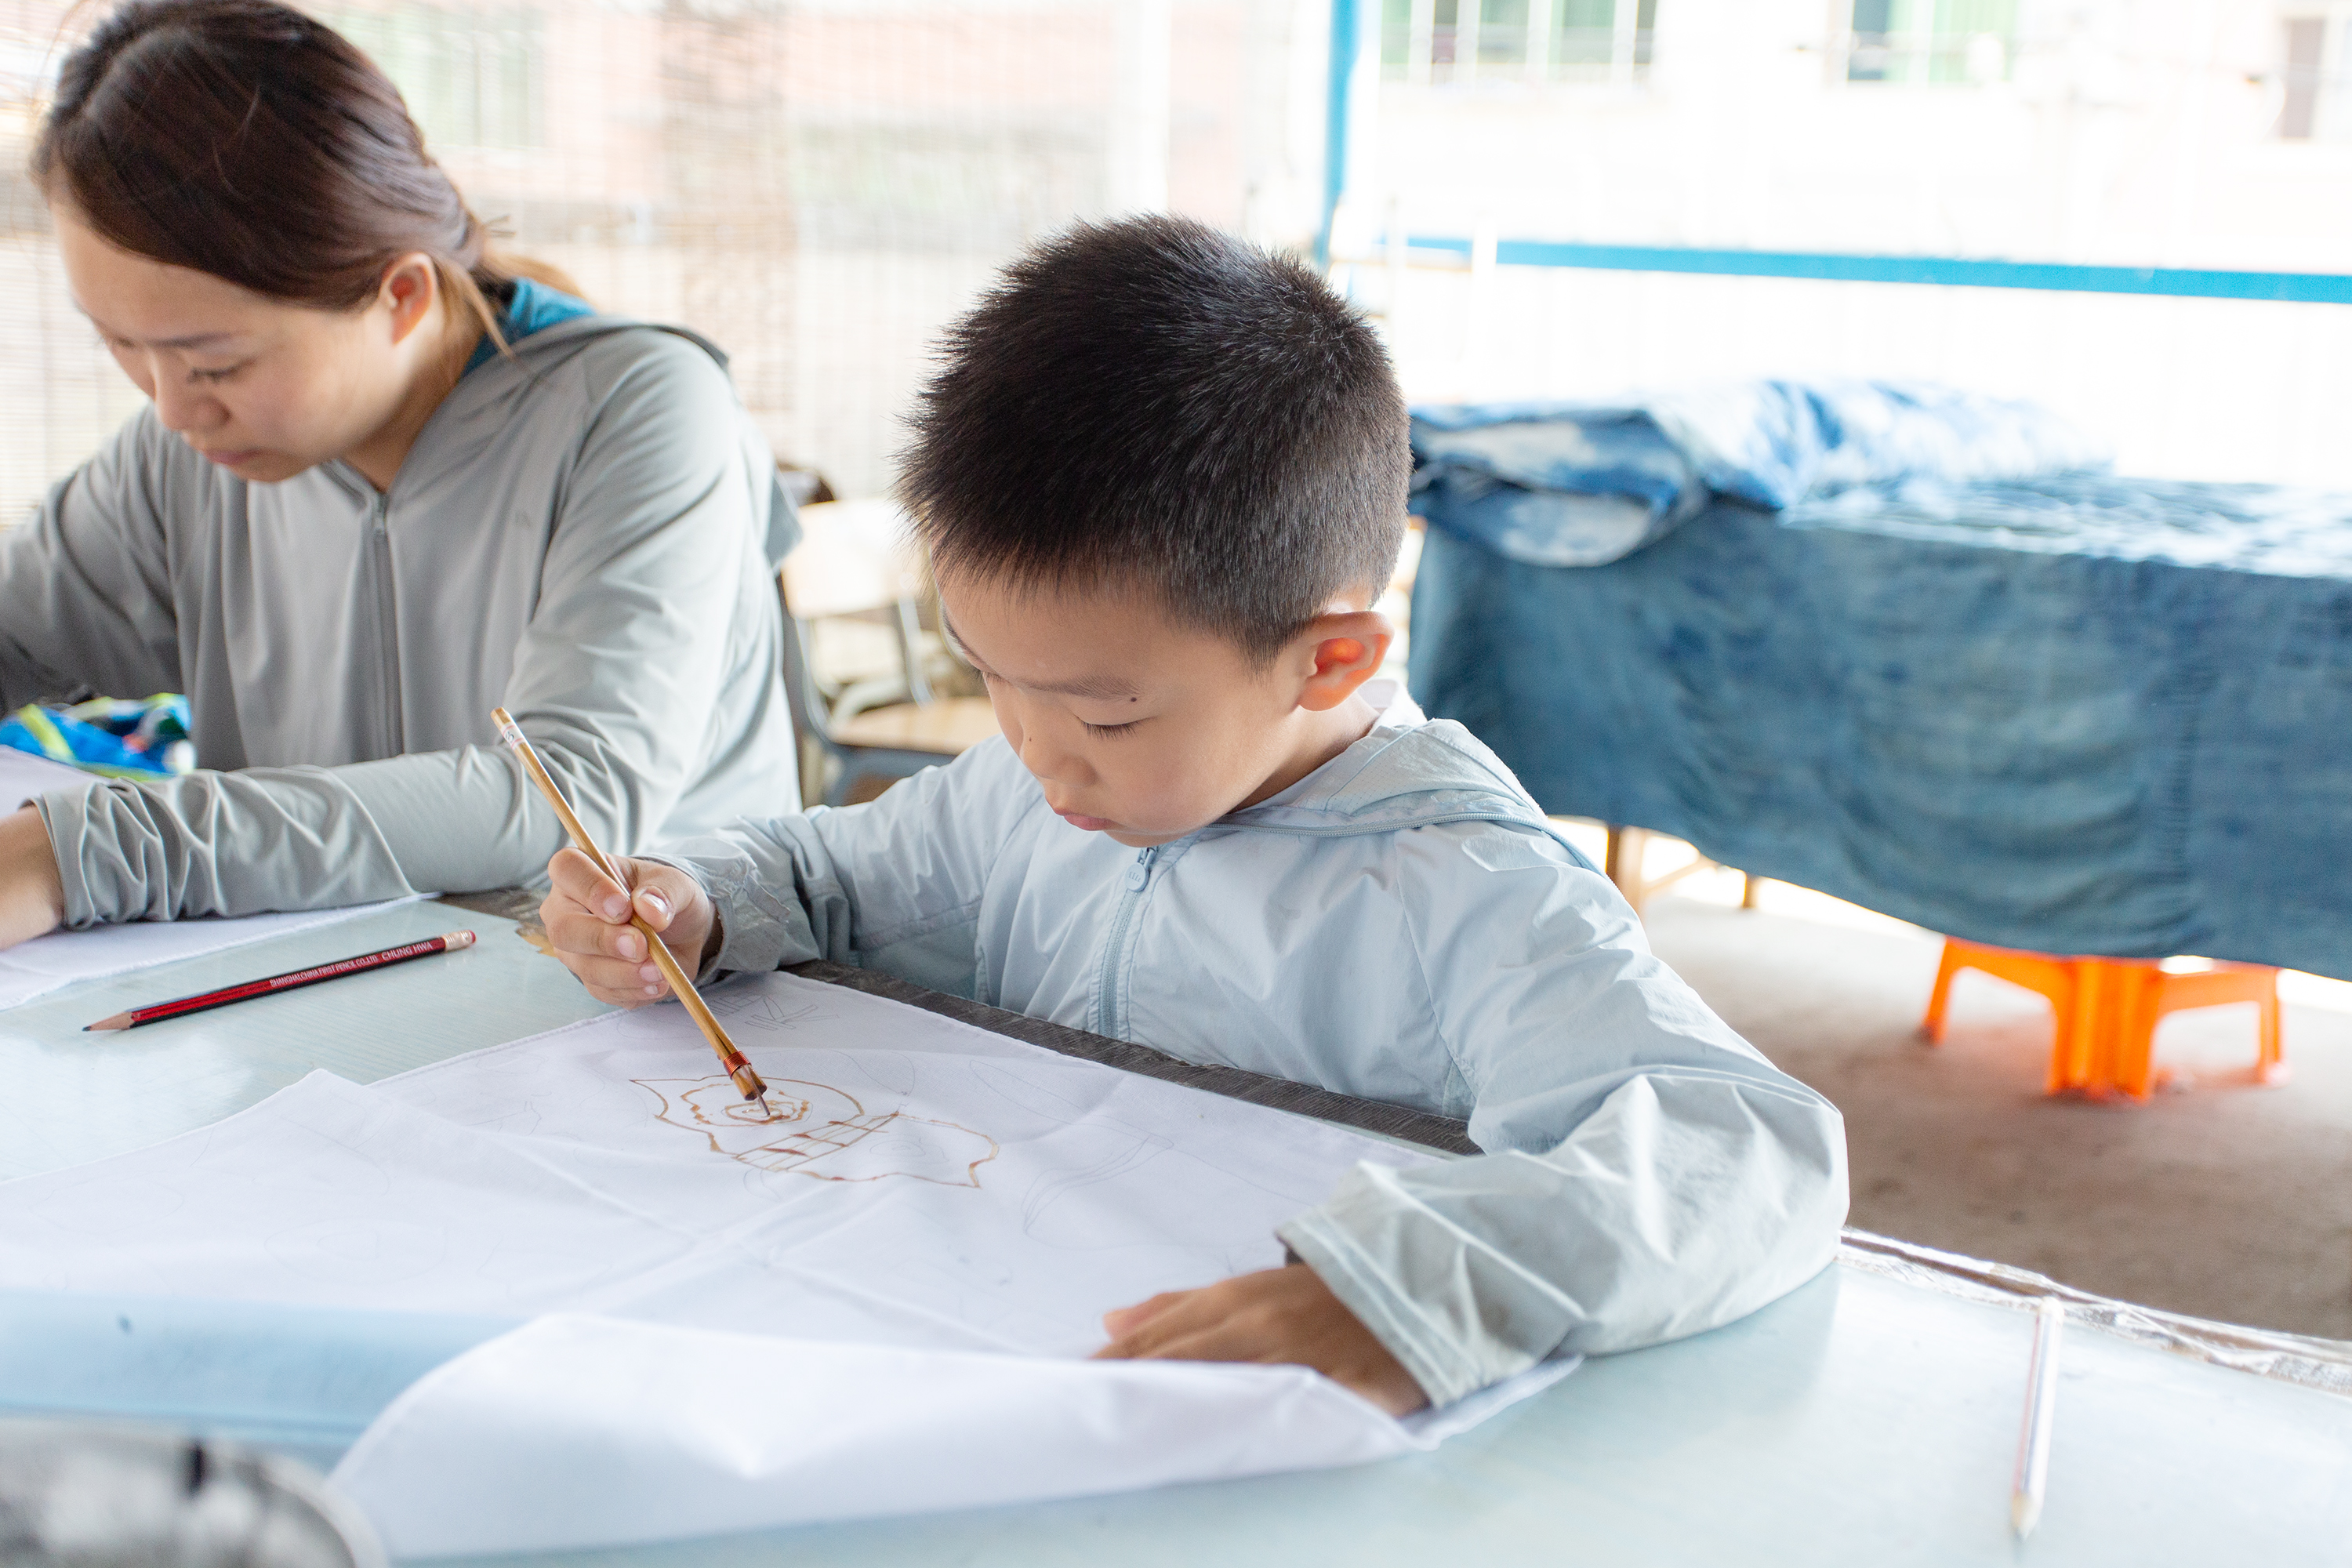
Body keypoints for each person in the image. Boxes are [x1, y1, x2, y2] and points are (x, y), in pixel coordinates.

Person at [541, 216, 1848, 1414]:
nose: (1039, 759)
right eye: (991, 677)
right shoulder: (1020, 794)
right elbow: (816, 874)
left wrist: (1410, 1294)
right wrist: (693, 901)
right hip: (1003, 1343)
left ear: (1327, 661)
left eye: (1106, 717)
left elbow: (1747, 1149)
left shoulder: (1462, 886)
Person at [0, 0, 797, 948]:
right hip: (313, 993)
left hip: (649, 1006)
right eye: (123, 345)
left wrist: (80, 852)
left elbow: (566, 798)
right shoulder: (187, 453)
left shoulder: (644, 407)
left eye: (217, 362)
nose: (172, 408)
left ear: (402, 295)